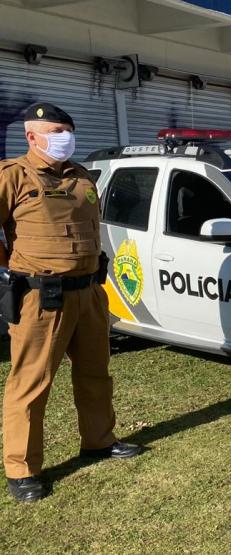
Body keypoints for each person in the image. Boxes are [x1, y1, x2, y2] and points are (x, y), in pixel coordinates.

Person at [0, 103, 142, 503]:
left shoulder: (81, 177)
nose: (65, 137)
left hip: (90, 293)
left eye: (68, 130)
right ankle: (23, 468)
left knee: (96, 374)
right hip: (41, 298)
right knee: (30, 383)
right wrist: (12, 269)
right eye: (56, 131)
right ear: (32, 136)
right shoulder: (13, 176)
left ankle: (98, 441)